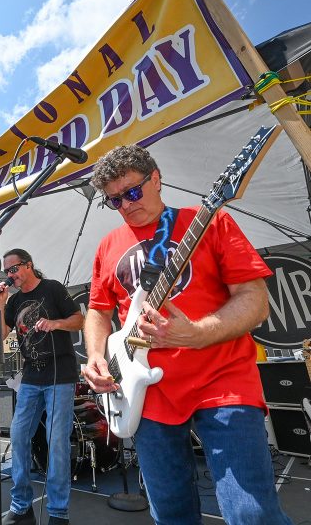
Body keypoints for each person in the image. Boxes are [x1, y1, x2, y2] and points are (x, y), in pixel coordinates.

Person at [82, 144, 293, 524]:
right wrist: (96, 354)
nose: (126, 205)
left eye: (132, 192)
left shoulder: (209, 221)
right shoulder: (108, 246)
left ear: (156, 178)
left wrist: (196, 333)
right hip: (147, 395)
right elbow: (98, 311)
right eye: (115, 201)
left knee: (252, 514)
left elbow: (255, 300)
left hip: (222, 381)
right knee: (170, 513)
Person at [0, 249, 83, 525]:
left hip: (61, 374)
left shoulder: (53, 288)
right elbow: (0, 335)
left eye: (14, 269)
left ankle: (58, 512)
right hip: (32, 377)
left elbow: (79, 320)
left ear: (29, 265)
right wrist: (0, 304)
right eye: (7, 272)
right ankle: (22, 506)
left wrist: (56, 323)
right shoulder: (13, 301)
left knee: (56, 442)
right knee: (19, 436)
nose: (10, 275)